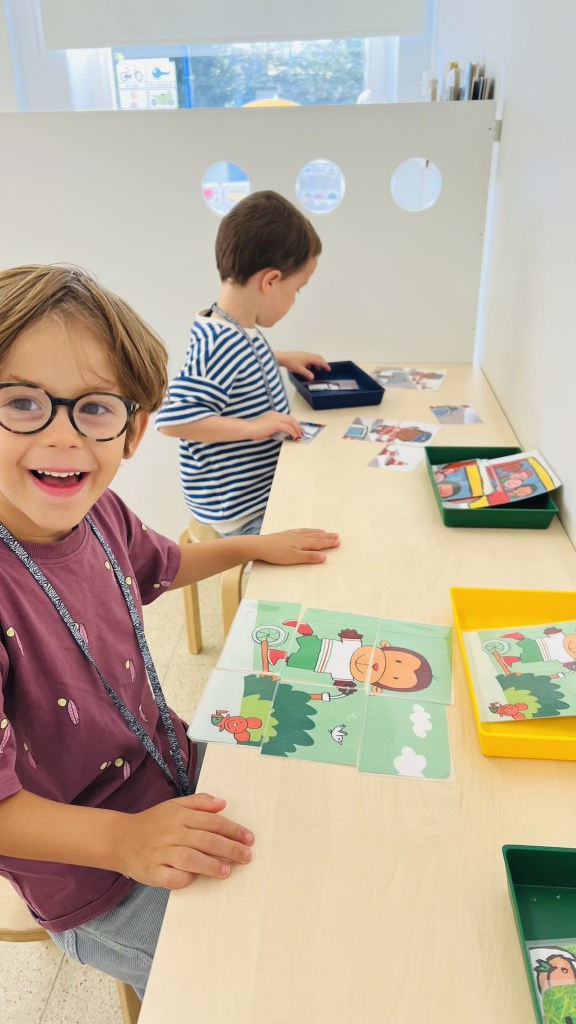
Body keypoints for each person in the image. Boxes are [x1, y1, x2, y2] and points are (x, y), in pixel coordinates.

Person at [0, 263, 339, 999]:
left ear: (133, 431)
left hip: (174, 769)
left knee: (326, 827)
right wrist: (125, 840)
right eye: (22, 402)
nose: (63, 436)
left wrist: (252, 546)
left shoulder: (100, 514)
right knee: (264, 985)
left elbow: (166, 564)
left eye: (95, 408)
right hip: (93, 877)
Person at [156, 190, 330, 537]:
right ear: (271, 281)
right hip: (242, 512)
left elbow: (234, 366)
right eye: (297, 289)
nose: (295, 300)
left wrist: (279, 358)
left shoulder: (236, 328)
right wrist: (252, 428)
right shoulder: (221, 343)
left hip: (256, 495)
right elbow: (172, 421)